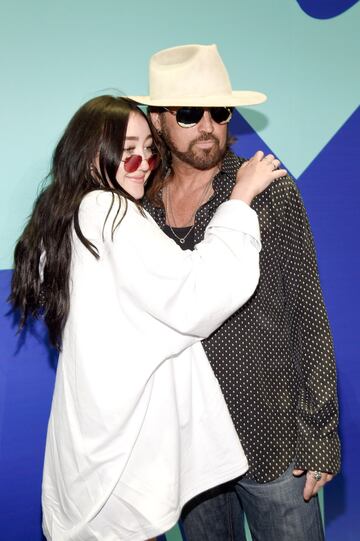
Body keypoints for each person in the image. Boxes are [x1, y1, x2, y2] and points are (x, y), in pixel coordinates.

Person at [9, 95, 284, 541]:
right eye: (127, 149)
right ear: (91, 155)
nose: (142, 163)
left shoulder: (74, 217)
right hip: (120, 459)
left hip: (100, 457)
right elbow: (192, 294)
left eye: (148, 150)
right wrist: (240, 198)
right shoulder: (108, 211)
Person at [131, 44, 341, 541]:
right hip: (188, 447)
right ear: (157, 120)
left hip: (273, 441)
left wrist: (320, 438)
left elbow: (308, 314)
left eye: (219, 111)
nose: (207, 125)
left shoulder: (268, 191)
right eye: (188, 112)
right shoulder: (140, 211)